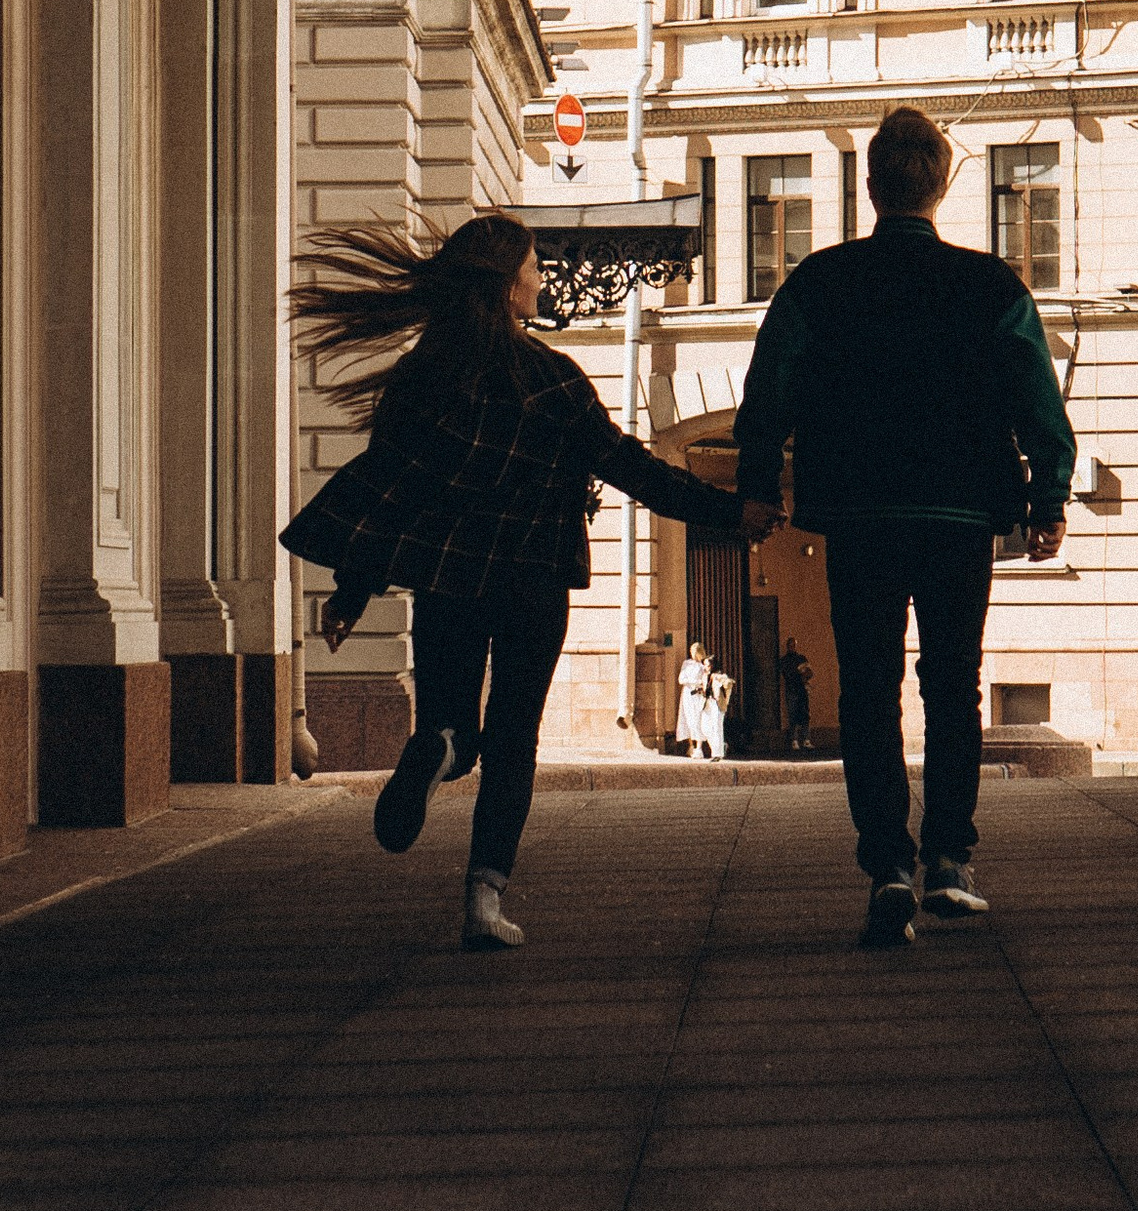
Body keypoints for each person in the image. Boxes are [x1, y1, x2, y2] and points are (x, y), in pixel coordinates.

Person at [283, 213, 773, 946]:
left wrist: (353, 593)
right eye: (535, 268)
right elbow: (635, 470)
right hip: (533, 585)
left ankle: (435, 750)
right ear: (510, 287)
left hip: (449, 581)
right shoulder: (552, 380)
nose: (541, 279)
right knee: (514, 739)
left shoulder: (426, 376)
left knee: (454, 724)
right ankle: (484, 903)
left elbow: (390, 486)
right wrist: (732, 513)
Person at [734, 106, 1075, 949]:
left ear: (869, 184)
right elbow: (1039, 403)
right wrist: (1049, 498)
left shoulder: (817, 282)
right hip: (962, 516)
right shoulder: (995, 287)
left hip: (858, 515)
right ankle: (950, 862)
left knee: (869, 687)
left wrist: (756, 485)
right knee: (953, 684)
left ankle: (888, 861)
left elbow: (765, 394)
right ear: (945, 184)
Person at [677, 640, 717, 759]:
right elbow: (681, 679)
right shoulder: (686, 663)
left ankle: (699, 748)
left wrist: (696, 683)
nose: (692, 654)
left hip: (697, 695)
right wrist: (694, 682)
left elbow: (704, 680)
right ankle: (691, 746)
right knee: (688, 718)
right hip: (687, 695)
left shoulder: (703, 665)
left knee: (698, 719)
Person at [778, 639, 813, 754]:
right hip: (792, 689)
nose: (792, 647)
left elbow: (809, 673)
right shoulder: (784, 660)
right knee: (792, 714)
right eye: (790, 645)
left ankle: (806, 739)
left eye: (794, 645)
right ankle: (794, 739)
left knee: (805, 714)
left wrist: (804, 674)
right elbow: (787, 675)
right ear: (788, 646)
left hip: (802, 689)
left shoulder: (801, 658)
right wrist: (799, 673)